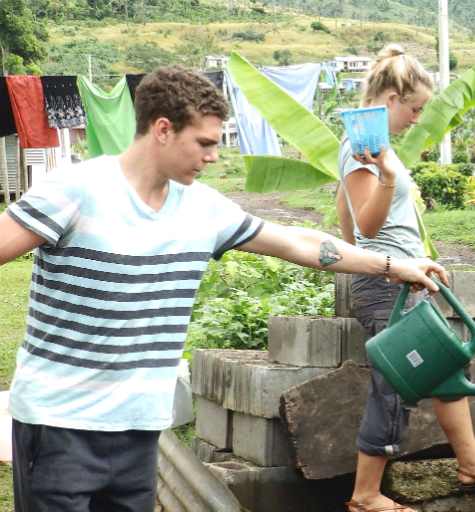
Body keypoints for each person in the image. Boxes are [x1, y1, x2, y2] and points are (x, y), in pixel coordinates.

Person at [0, 64, 447, 512]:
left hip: (140, 428)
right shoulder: (77, 190)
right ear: (162, 130)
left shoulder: (203, 209)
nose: (214, 156)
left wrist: (391, 265)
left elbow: (300, 242)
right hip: (60, 425)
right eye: (205, 143)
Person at [335, 45, 475, 512]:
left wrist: (382, 256)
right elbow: (368, 223)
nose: (418, 119)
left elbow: (346, 217)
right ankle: (364, 496)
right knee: (398, 382)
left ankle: (471, 463)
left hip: (400, 277)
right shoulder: (365, 151)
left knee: (443, 367)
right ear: (394, 97)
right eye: (415, 109)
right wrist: (389, 182)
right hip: (386, 284)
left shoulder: (370, 147)